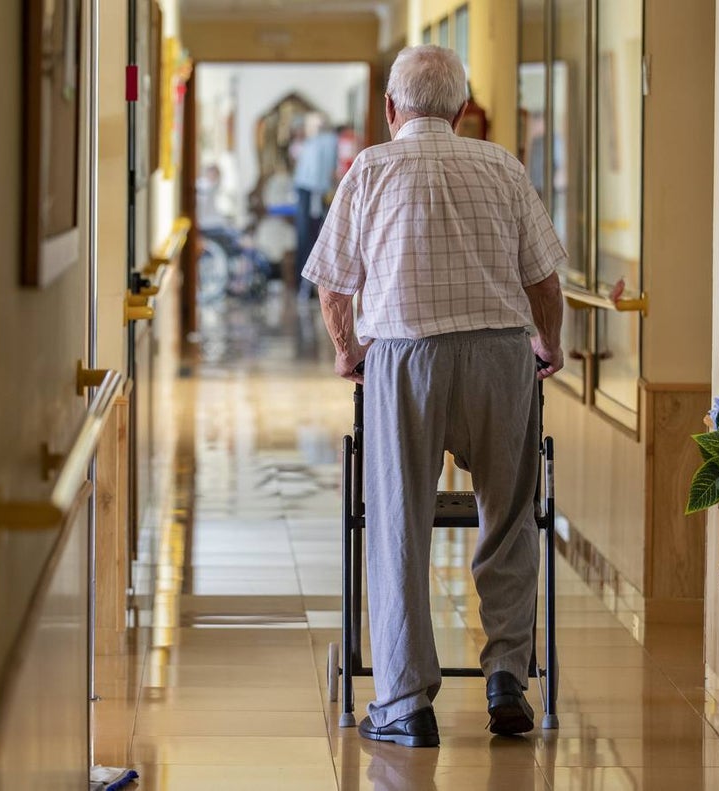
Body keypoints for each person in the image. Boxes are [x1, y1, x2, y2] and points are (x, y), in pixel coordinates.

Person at [303, 45, 565, 748]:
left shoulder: (371, 169)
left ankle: (405, 700)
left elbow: (332, 285)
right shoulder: (503, 165)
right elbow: (544, 281)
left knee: (398, 518)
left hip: (405, 354)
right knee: (509, 513)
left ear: (392, 109)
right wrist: (549, 343)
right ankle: (507, 674)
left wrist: (348, 350)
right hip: (500, 355)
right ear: (459, 107)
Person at [292, 112, 338, 300]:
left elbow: (326, 171)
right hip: (308, 192)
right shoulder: (310, 144)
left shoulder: (328, 141)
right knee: (306, 237)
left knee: (318, 238)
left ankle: (311, 284)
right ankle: (304, 284)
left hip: (318, 192)